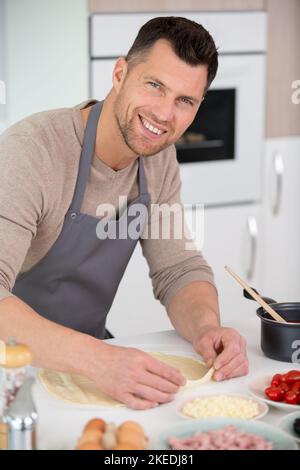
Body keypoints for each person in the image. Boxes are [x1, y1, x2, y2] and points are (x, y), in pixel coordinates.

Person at [0, 17, 248, 409]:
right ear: (120, 73)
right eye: (155, 86)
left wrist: (207, 329)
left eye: (186, 101)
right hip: (9, 373)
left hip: (86, 367)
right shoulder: (33, 151)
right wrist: (97, 359)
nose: (165, 114)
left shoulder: (159, 161)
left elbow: (179, 269)